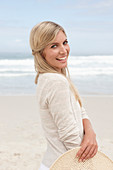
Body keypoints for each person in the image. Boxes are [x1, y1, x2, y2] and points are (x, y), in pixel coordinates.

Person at [29, 21, 98, 170]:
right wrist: (89, 166)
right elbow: (69, 136)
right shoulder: (55, 81)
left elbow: (80, 110)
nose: (64, 50)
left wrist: (90, 132)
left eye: (65, 42)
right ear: (41, 52)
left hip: (54, 162)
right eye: (54, 46)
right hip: (67, 164)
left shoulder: (48, 77)